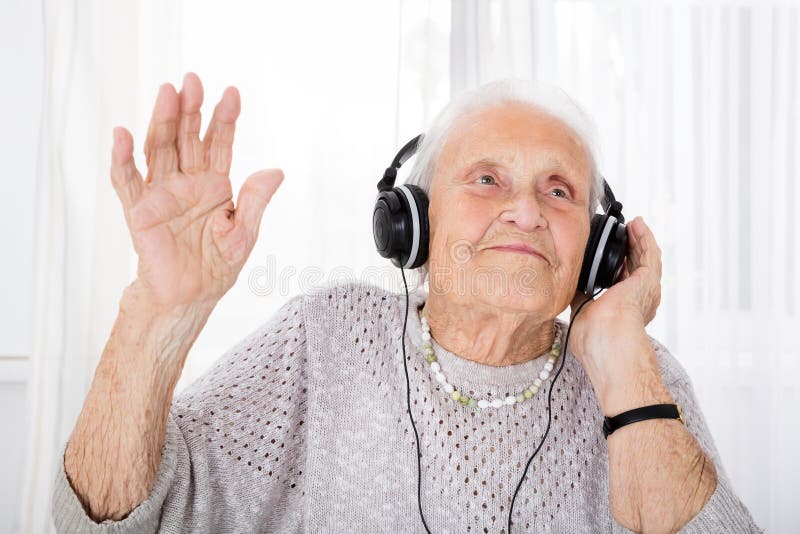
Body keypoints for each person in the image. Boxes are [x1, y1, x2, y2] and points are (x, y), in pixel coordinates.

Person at [51, 73, 761, 533]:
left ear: (599, 245)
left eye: (559, 190)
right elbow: (103, 521)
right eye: (486, 179)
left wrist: (621, 357)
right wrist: (158, 313)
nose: (525, 211)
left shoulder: (639, 374)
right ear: (413, 222)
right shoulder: (325, 338)